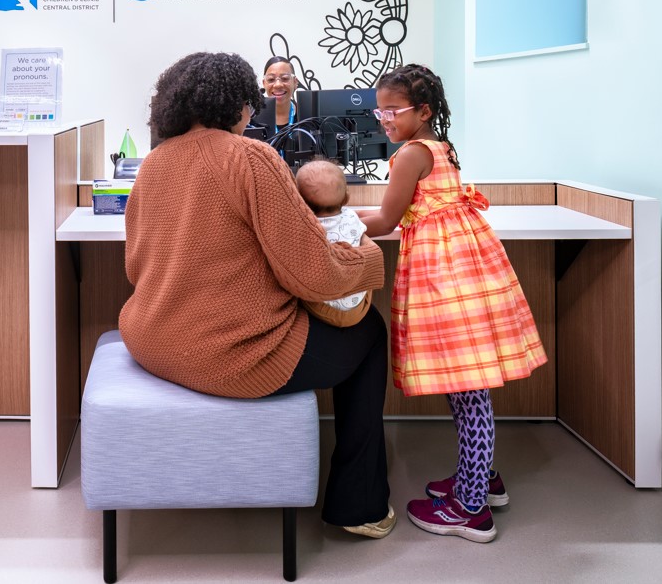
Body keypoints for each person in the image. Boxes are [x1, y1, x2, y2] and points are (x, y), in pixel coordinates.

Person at [120, 51, 396, 538]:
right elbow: (315, 276)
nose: (253, 114)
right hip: (233, 357)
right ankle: (360, 506)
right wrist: (369, 260)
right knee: (371, 331)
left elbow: (134, 265)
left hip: (153, 342)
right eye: (251, 104)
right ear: (239, 106)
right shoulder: (250, 156)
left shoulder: (154, 163)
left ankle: (358, 498)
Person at [357, 64, 547, 544]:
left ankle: (470, 508)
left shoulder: (409, 154)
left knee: (468, 390)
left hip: (444, 276)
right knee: (469, 384)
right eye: (379, 110)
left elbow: (384, 219)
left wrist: (329, 223)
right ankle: (480, 479)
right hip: (465, 268)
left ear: (421, 112)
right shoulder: (439, 146)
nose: (383, 119)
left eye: (392, 111)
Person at [293, 159, 371, 328]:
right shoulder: (351, 217)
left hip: (321, 308)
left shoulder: (302, 225)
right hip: (356, 307)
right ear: (347, 197)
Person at [260, 56, 300, 131]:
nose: (278, 85)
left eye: (285, 78)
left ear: (295, 82)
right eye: (271, 79)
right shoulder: (252, 120)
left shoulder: (307, 117)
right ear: (264, 83)